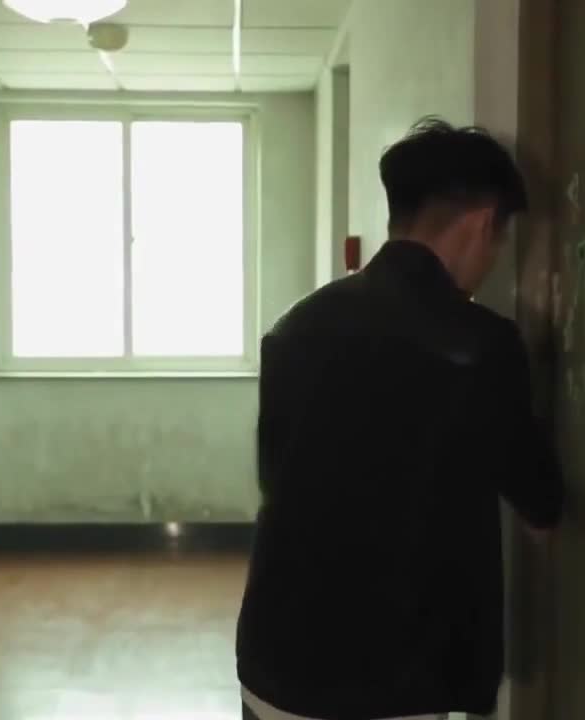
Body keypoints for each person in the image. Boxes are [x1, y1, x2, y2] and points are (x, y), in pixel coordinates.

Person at [236, 117, 565, 720]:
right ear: (483, 223)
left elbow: (274, 476)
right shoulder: (481, 343)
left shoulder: (295, 326)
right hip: (390, 679)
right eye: (499, 241)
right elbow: (541, 505)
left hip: (272, 658)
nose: (494, 260)